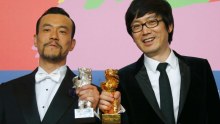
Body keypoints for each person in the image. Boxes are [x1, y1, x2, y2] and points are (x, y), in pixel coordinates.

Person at [99, 0, 220, 124]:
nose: (145, 31)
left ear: (169, 26)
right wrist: (115, 111)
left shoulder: (200, 68)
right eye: (136, 26)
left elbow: (214, 116)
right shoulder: (122, 78)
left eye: (152, 22)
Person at [0, 7, 101, 124]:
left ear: (72, 44)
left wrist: (94, 110)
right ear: (35, 40)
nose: (54, 36)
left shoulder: (93, 94)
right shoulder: (6, 91)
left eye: (62, 31)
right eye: (47, 30)